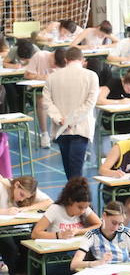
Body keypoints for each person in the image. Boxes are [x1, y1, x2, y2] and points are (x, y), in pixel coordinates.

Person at [41, 46, 99, 179]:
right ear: (82, 60)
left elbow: (47, 102)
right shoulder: (91, 76)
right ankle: (77, 197)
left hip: (61, 127)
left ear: (66, 60)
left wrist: (60, 119)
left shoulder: (52, 77)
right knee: (76, 171)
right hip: (80, 127)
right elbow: (90, 103)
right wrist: (71, 120)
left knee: (69, 170)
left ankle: (73, 197)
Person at [32, 177, 100, 242]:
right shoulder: (55, 209)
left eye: (86, 207)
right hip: (58, 251)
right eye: (80, 207)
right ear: (70, 201)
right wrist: (59, 235)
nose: (83, 211)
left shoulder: (84, 207)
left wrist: (78, 231)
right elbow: (35, 234)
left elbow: (99, 225)